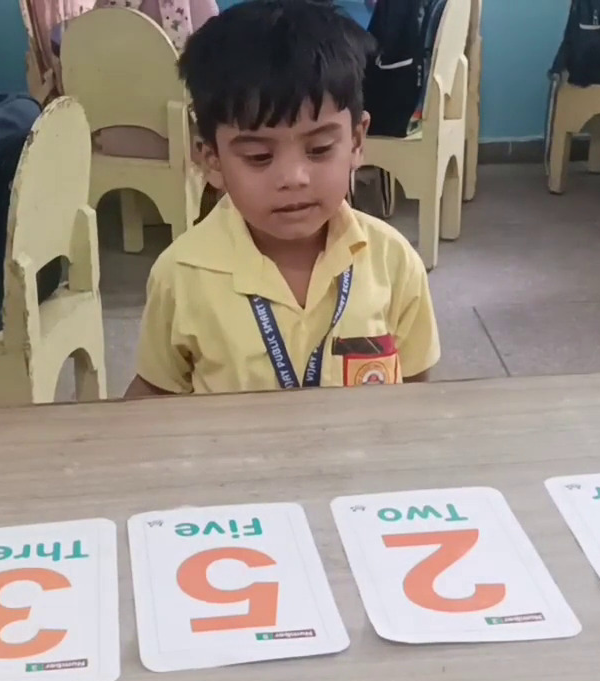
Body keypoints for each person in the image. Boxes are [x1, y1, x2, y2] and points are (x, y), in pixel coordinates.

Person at [126, 0, 440, 397]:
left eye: (319, 149)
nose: (293, 178)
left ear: (357, 141)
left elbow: (414, 389)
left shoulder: (393, 264)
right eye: (259, 156)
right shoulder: (180, 275)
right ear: (212, 160)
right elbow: (154, 393)